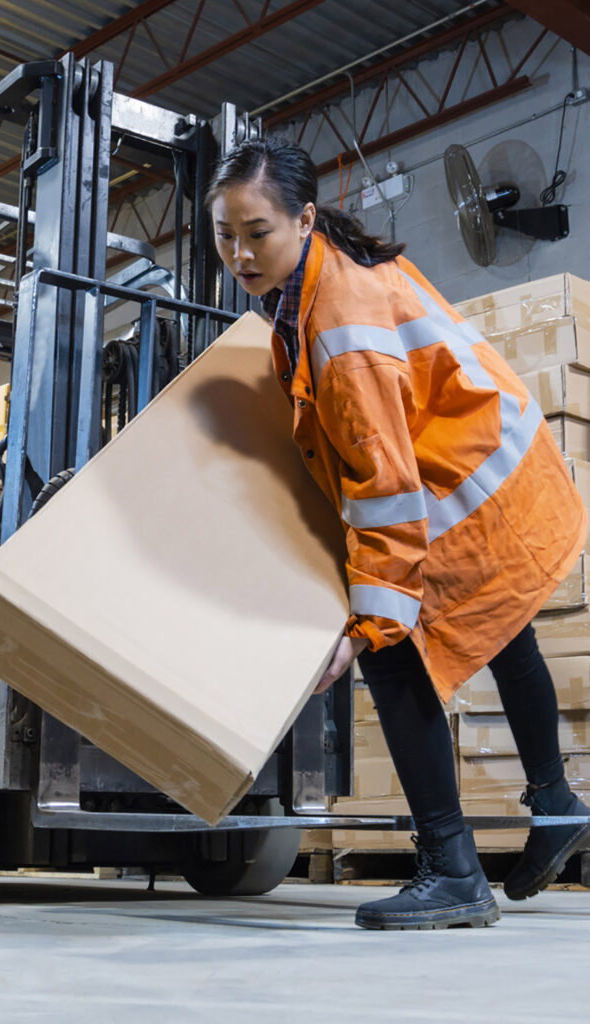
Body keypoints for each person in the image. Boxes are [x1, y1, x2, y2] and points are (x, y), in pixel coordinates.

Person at [206, 136, 590, 931]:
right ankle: (556, 806)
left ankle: (451, 869)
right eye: (224, 232)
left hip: (469, 485)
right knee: (502, 631)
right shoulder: (318, 276)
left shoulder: (339, 323)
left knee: (393, 652)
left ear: (304, 218)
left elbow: (384, 489)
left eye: (256, 232)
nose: (238, 252)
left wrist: (368, 625)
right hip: (492, 468)